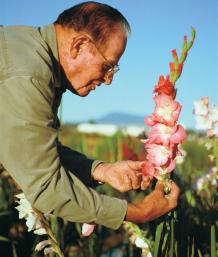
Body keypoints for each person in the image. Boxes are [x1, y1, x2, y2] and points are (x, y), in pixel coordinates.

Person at [0, 1, 179, 230]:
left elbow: (38, 154)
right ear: (80, 45)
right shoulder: (28, 75)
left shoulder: (30, 54)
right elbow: (47, 187)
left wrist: (103, 171)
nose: (109, 80)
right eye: (107, 67)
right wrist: (140, 212)